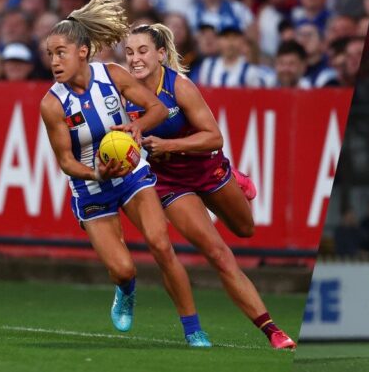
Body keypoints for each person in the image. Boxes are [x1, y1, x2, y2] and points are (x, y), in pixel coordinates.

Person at [39, 0, 211, 347]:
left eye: (61, 53)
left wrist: (136, 127)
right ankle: (126, 290)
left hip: (132, 174)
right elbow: (66, 161)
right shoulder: (52, 104)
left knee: (161, 246)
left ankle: (193, 329)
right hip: (92, 186)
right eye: (50, 55)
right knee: (123, 268)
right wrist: (97, 173)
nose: (54, 62)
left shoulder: (113, 75)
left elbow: (158, 109)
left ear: (82, 51)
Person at [123, 23, 295, 349]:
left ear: (161, 54)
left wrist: (169, 146)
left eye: (142, 51)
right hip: (170, 182)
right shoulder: (123, 90)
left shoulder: (180, 87)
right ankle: (273, 331)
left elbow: (215, 137)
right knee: (219, 254)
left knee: (245, 229)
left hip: (207, 167)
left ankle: (236, 177)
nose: (135, 59)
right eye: (129, 52)